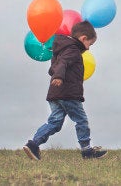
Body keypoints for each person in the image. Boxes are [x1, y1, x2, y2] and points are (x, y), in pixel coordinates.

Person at [23, 20, 107, 160]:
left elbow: (56, 64)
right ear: (83, 38)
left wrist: (57, 76)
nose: (88, 48)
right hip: (68, 93)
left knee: (54, 122)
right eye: (90, 44)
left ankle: (33, 144)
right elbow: (63, 63)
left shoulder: (60, 48)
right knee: (81, 120)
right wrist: (59, 76)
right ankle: (87, 151)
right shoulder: (73, 49)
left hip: (55, 93)